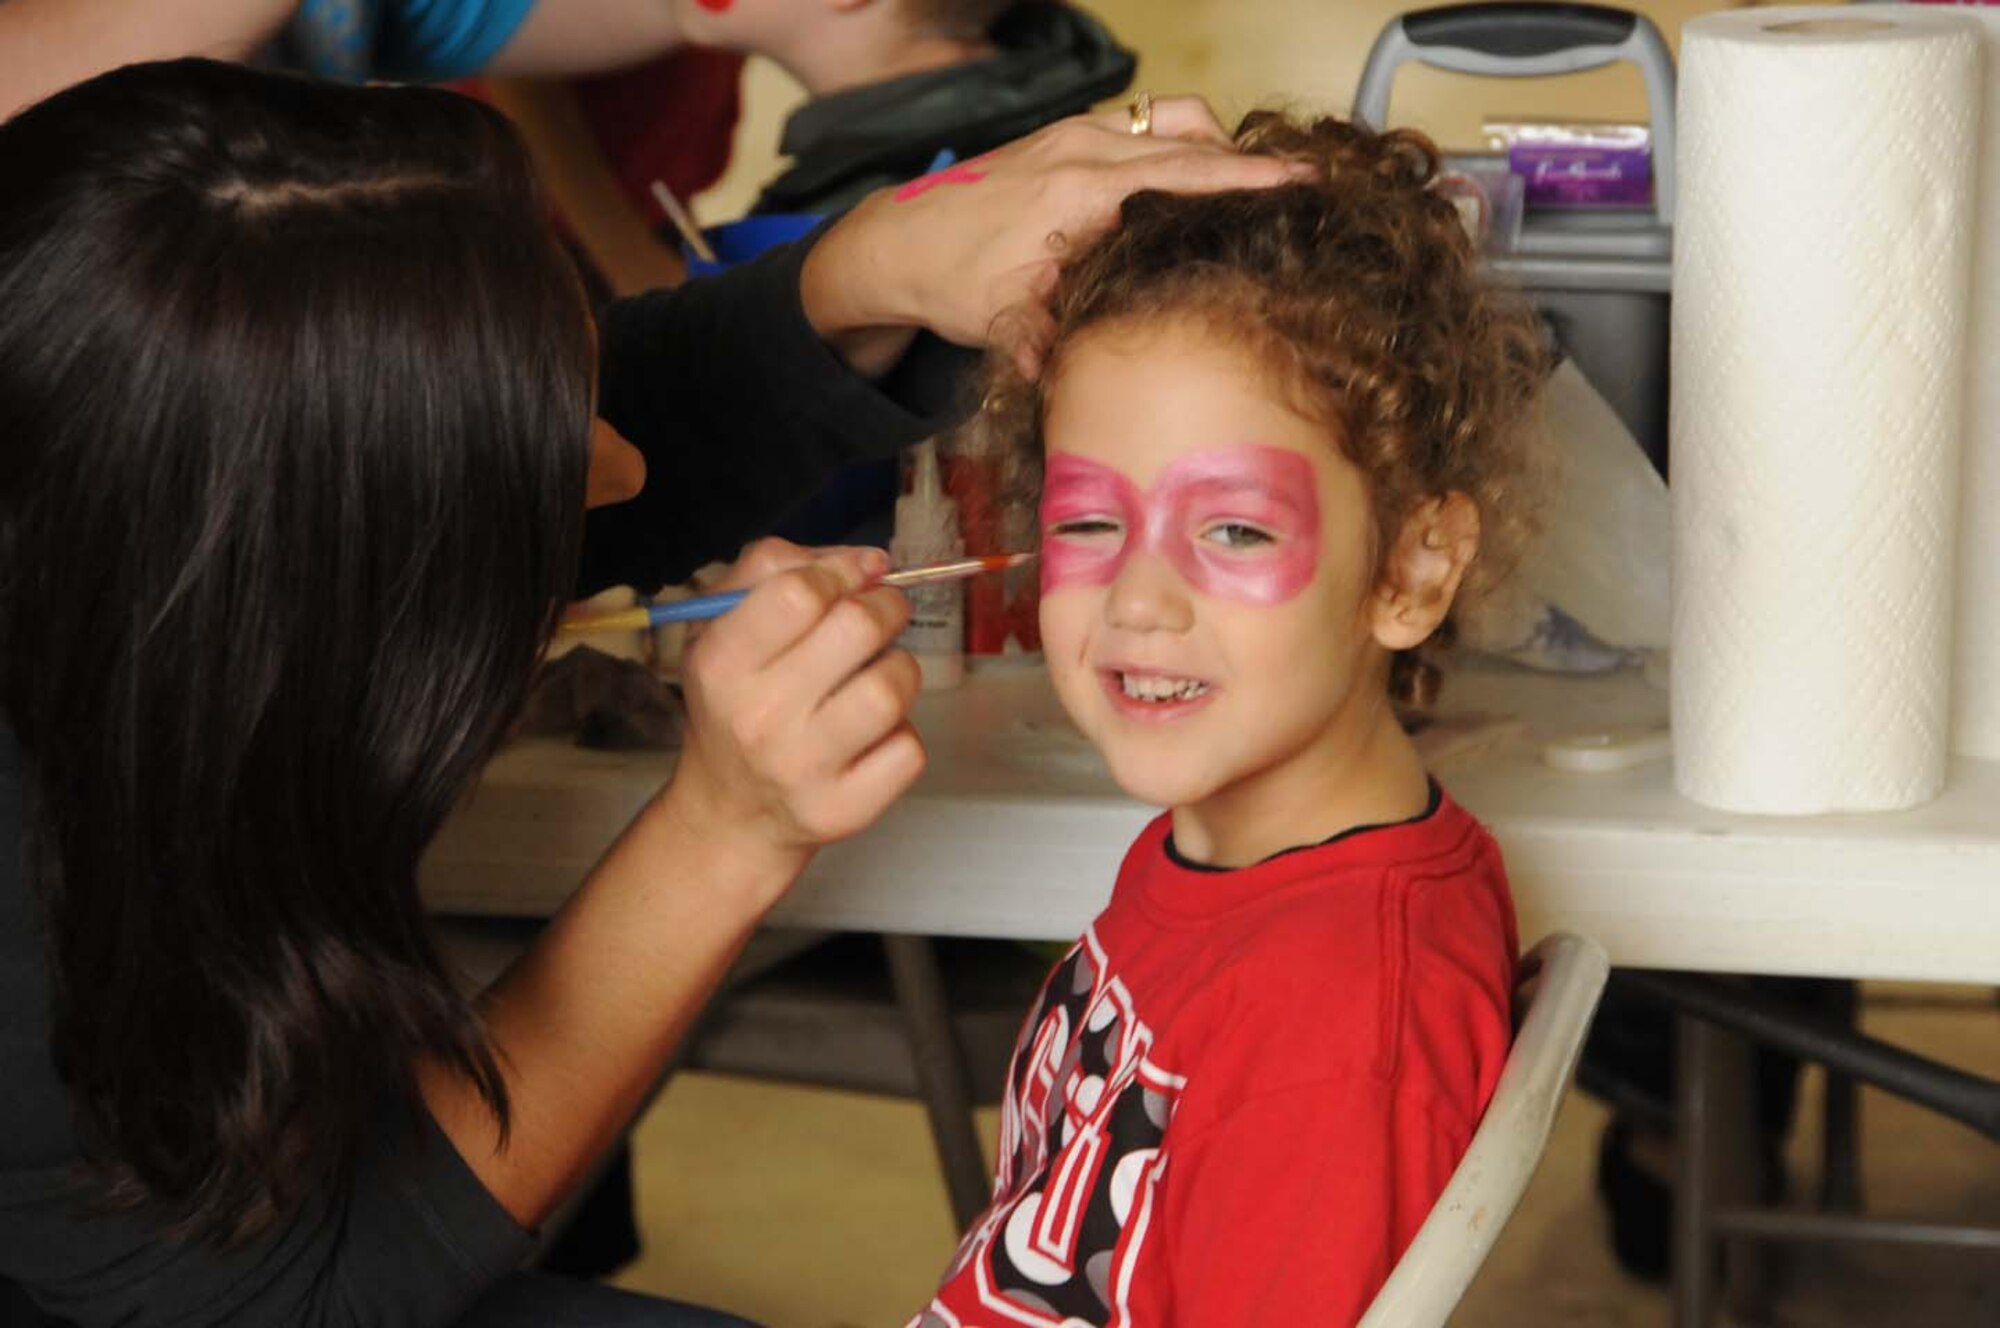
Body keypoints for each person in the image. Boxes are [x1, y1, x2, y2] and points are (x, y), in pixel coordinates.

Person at [0, 56, 1303, 1326]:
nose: (618, 480)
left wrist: (876, 267)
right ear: (283, 586)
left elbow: (470, 429)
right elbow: (295, 1280)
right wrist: (723, 832)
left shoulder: (113, 504)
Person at [909, 112, 1552, 1326]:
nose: (1137, 598)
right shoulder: (1234, 852)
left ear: (1412, 567)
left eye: (1235, 530)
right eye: (1088, 524)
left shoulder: (1330, 1036)